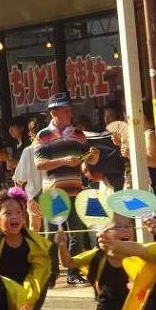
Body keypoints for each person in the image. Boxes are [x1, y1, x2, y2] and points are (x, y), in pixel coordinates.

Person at [34, 92, 100, 285]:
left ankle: (73, 272)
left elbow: (86, 163)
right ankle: (52, 273)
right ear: (53, 112)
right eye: (65, 110)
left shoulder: (79, 135)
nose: (69, 113)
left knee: (76, 234)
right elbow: (39, 164)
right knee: (52, 234)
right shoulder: (42, 136)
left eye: (70, 109)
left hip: (75, 189)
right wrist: (63, 160)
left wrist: (93, 157)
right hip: (52, 193)